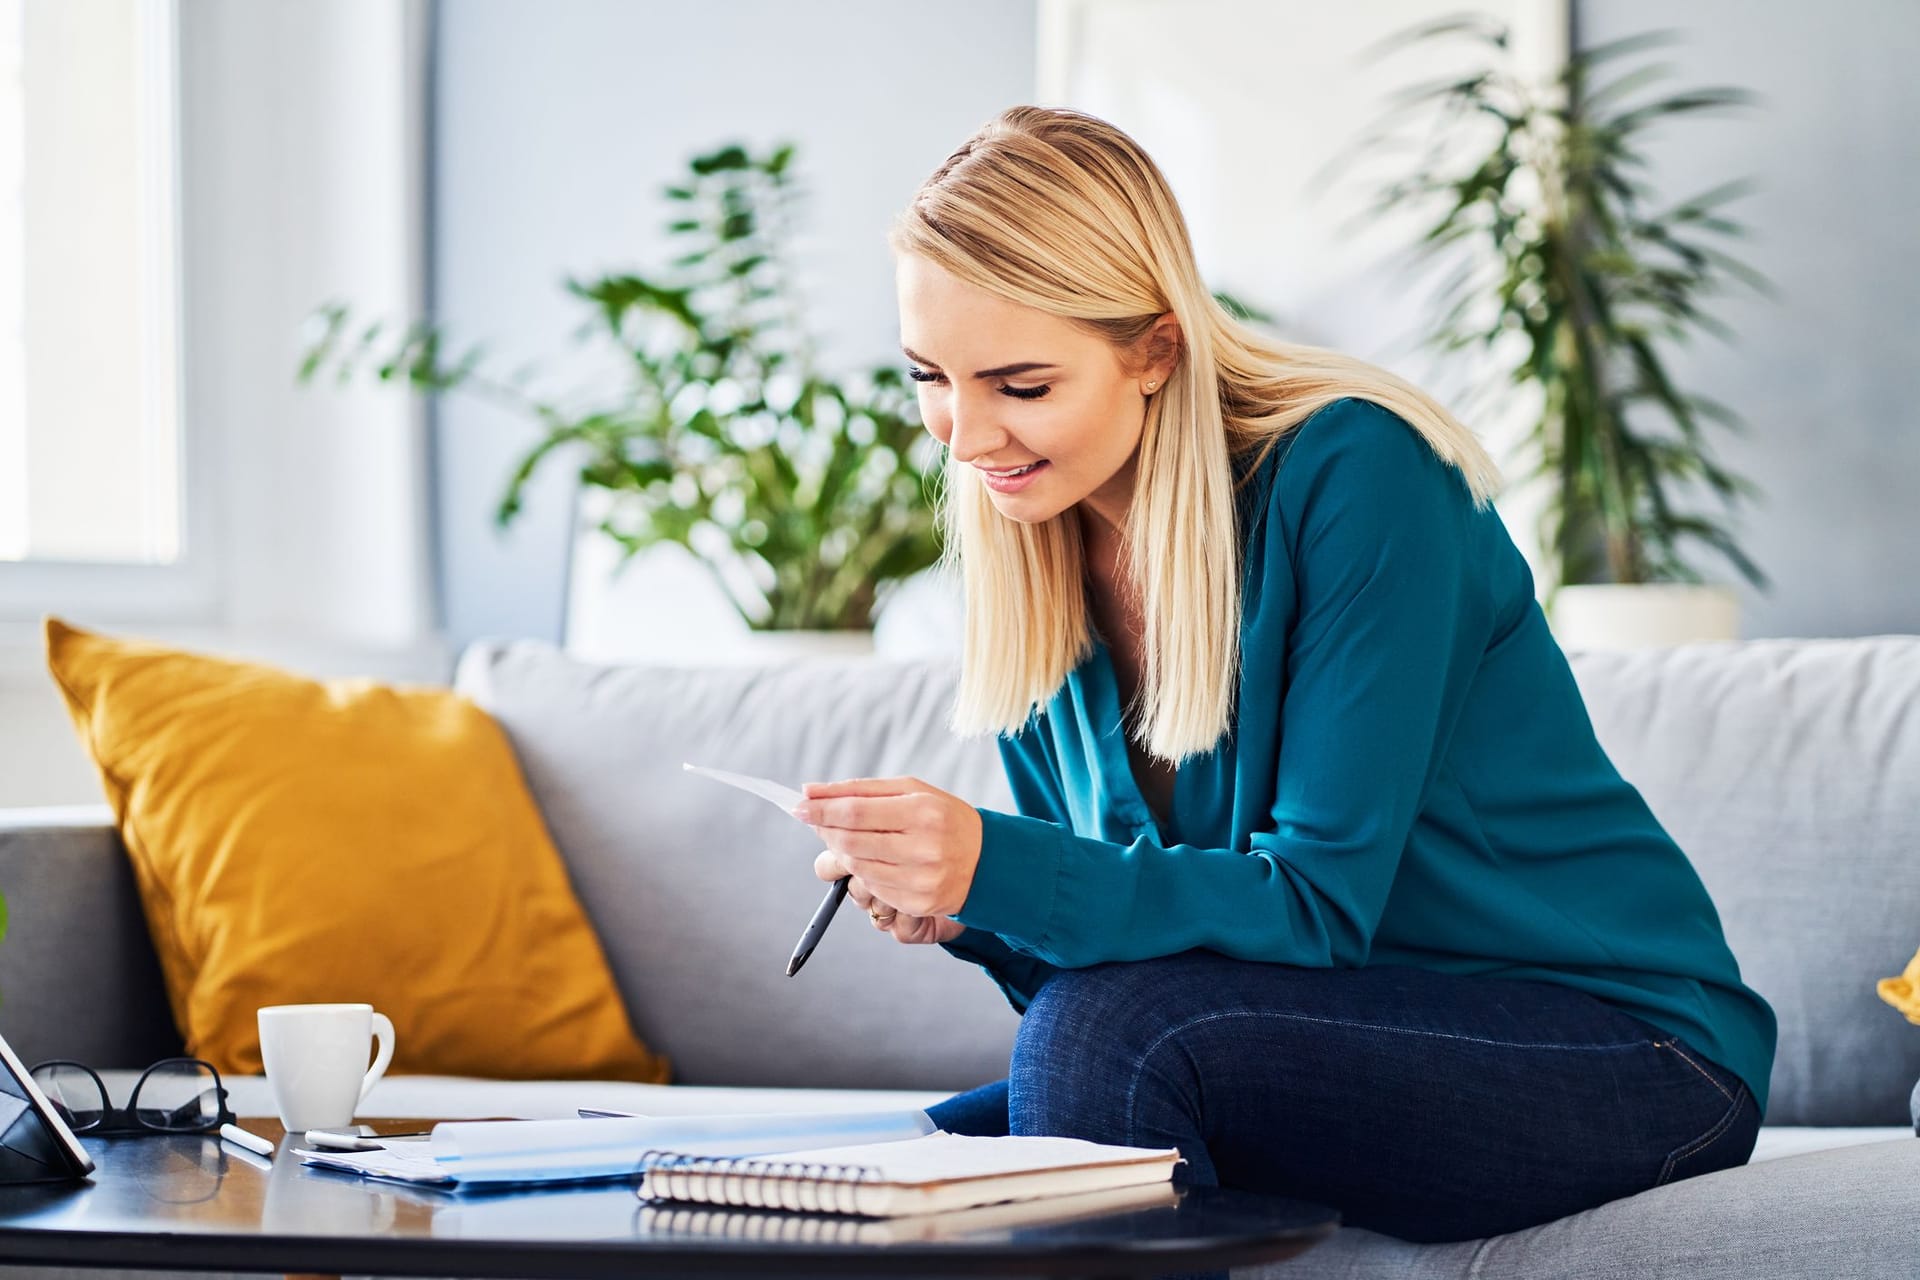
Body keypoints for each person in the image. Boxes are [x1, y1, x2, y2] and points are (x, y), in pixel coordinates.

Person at [787, 104, 1775, 1244]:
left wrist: (1001, 862)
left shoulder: (1360, 474)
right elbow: (1120, 960)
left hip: (1629, 1048)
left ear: (1156, 347)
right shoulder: (1032, 540)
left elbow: (1313, 910)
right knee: (915, 1166)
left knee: (1101, 1045)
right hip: (1338, 1028)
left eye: (1020, 383)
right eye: (931, 378)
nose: (965, 435)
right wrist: (967, 904)